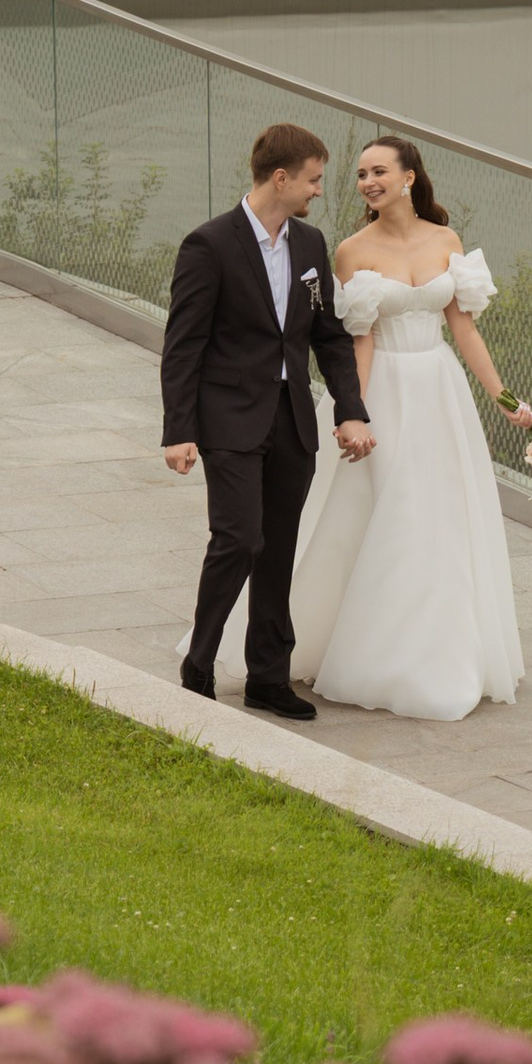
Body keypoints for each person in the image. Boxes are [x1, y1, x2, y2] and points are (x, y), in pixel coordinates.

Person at [286, 133, 530, 725]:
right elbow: (358, 343)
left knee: (442, 515)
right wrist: (355, 414)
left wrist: (505, 399)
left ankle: (443, 649)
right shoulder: (350, 251)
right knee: (380, 515)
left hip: (440, 390)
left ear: (409, 177)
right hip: (385, 392)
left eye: (379, 171)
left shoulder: (447, 240)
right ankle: (371, 648)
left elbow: (464, 329)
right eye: (361, 174)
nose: (368, 182)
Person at [161, 121, 374, 721]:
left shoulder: (309, 246)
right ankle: (199, 662)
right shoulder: (208, 245)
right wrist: (179, 430)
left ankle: (268, 677)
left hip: (291, 423)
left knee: (278, 549)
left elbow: (329, 338)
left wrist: (350, 410)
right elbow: (183, 347)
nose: (318, 192)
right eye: (312, 180)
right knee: (239, 538)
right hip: (228, 419)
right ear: (280, 178)